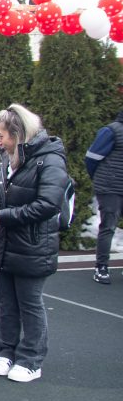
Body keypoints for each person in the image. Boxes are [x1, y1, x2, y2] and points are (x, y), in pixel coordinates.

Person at [0, 104, 68, 384]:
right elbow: (1, 195)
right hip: (5, 245)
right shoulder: (7, 158)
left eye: (1, 136)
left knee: (30, 303)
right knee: (7, 304)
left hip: (33, 246)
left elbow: (48, 204)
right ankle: (6, 353)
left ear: (17, 133)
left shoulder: (50, 160)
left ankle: (31, 360)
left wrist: (5, 217)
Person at [85, 109, 123, 285]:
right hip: (110, 187)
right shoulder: (111, 131)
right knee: (108, 226)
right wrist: (101, 180)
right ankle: (101, 267)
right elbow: (91, 158)